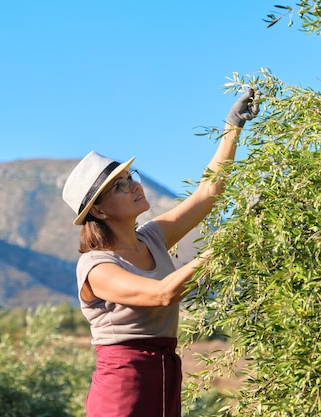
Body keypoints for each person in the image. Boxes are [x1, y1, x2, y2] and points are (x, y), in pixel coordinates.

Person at [61, 88, 258, 417]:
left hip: (166, 374)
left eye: (130, 177)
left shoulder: (151, 237)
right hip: (124, 387)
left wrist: (232, 126)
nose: (135, 186)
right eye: (120, 186)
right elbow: (163, 293)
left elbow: (207, 192)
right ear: (99, 212)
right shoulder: (95, 267)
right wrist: (228, 240)